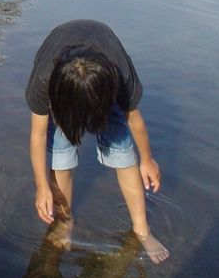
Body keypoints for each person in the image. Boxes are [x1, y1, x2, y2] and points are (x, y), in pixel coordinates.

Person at [25, 19, 170, 263]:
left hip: (102, 75)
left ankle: (142, 229)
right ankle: (65, 223)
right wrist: (42, 187)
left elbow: (134, 120)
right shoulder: (44, 83)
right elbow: (37, 135)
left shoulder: (119, 76)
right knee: (61, 152)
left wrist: (147, 159)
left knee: (123, 150)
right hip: (63, 79)